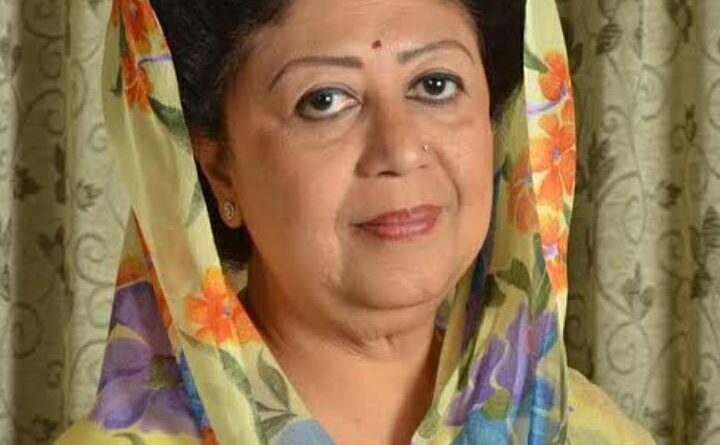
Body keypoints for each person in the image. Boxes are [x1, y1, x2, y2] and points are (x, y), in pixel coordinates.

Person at [55, 0, 656, 444]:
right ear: (218, 169)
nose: (399, 148)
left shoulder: (595, 435)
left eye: (435, 84)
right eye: (324, 100)